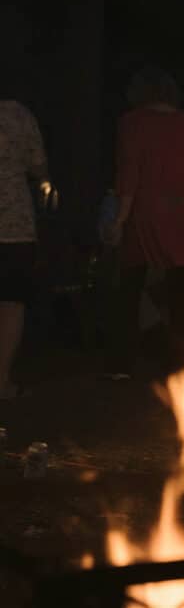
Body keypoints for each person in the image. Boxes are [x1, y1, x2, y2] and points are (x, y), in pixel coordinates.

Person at [107, 66, 184, 376]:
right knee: (180, 290)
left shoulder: (131, 124)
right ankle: (181, 363)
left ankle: (122, 362)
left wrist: (119, 220)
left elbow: (129, 175)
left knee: (130, 288)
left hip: (143, 217)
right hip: (182, 218)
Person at [0, 100, 52, 400]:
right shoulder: (17, 113)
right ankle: (2, 379)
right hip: (13, 223)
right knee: (10, 303)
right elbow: (38, 166)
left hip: (14, 224)